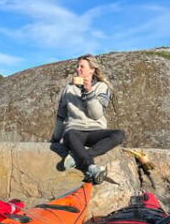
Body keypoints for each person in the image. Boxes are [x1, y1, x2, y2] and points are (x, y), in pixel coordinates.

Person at [50, 54, 125, 184]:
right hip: (75, 131)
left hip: (95, 131)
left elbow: (96, 114)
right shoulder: (69, 88)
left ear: (92, 69)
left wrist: (89, 91)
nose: (78, 69)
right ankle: (91, 167)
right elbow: (61, 116)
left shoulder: (102, 87)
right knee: (70, 134)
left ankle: (76, 157)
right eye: (77, 66)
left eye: (82, 66)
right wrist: (56, 138)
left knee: (119, 134)